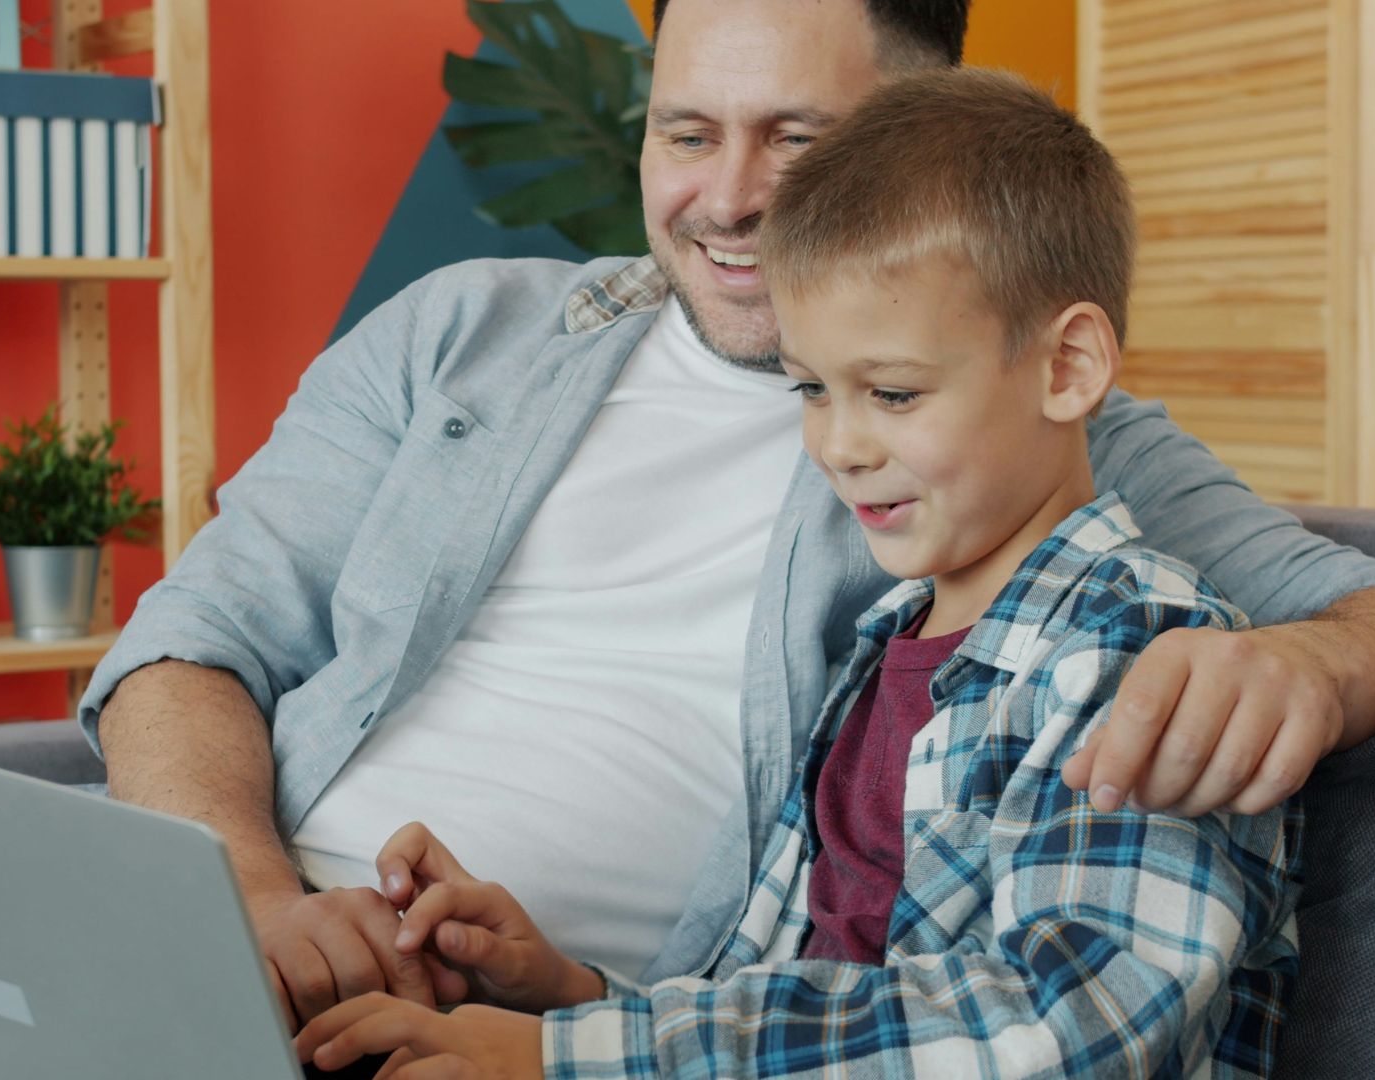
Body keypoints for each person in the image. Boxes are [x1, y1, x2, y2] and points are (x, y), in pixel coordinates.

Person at [0, 0, 1375, 1074]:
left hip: (515, 1036)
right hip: (217, 919)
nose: (730, 198)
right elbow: (196, 635)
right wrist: (238, 897)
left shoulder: (1043, 456)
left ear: (920, 149)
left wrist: (1279, 662)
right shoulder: (464, 331)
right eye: (687, 130)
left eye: (799, 140)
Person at [290, 65, 1302, 1080]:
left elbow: (1072, 1024)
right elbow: (787, 995)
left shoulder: (1136, 653)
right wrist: (567, 993)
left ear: (1068, 368)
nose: (841, 447)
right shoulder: (884, 640)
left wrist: (568, 1056)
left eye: (894, 394)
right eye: (813, 389)